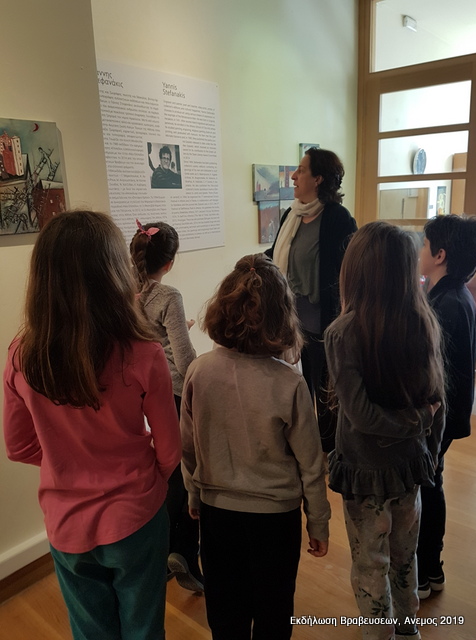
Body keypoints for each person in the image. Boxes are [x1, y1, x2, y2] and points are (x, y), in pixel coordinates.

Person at [3, 210, 181, 640]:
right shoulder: (144, 352)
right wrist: (142, 479)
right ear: (114, 271)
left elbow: (18, 447)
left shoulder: (21, 355)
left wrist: (68, 462)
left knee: (90, 631)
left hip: (65, 521)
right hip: (136, 514)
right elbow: (170, 450)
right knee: (144, 627)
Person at [181, 253, 331, 640]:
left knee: (225, 612)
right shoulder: (290, 383)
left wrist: (194, 494)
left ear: (222, 308)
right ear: (282, 318)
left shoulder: (199, 371)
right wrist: (318, 521)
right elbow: (311, 464)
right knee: (273, 612)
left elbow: (189, 447)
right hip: (275, 520)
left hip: (217, 513)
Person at [324, 222, 445, 640]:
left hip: (366, 472)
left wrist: (423, 428)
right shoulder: (422, 320)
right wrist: (427, 442)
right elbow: (436, 405)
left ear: (354, 270)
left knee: (371, 566)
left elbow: (361, 417)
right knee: (404, 559)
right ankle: (408, 631)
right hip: (409, 466)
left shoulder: (342, 333)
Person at [265, 147, 357, 452]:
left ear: (318, 179)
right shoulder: (291, 215)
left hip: (324, 322)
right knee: (299, 387)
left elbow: (349, 268)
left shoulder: (337, 218)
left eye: (301, 170)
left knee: (326, 391)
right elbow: (276, 254)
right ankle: (308, 443)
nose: (293, 176)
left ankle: (330, 449)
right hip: (291, 319)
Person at [130, 219, 203, 592]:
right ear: (170, 262)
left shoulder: (123, 290)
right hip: (172, 391)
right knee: (186, 472)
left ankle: (163, 553)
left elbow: (143, 338)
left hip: (138, 392)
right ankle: (184, 550)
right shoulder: (169, 296)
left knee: (163, 470)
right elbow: (185, 360)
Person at [417, 214, 476, 599]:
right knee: (432, 482)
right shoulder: (455, 295)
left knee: (427, 486)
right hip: (447, 414)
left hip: (439, 416)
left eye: (425, 246)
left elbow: (431, 374)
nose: (420, 252)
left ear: (439, 255)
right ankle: (431, 569)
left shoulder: (447, 304)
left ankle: (425, 571)